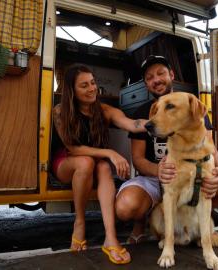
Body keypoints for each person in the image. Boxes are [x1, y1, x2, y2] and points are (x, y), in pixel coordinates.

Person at [115, 55, 218, 244]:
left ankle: (197, 222)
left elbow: (211, 150)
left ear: (172, 75)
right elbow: (138, 159)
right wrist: (158, 170)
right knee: (126, 206)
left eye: (161, 73)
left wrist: (216, 174)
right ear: (146, 84)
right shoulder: (143, 113)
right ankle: (143, 222)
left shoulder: (192, 105)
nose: (156, 79)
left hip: (192, 176)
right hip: (156, 178)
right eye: (150, 77)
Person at [52, 64, 147, 264]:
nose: (92, 89)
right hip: (66, 163)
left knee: (103, 166)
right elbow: (74, 149)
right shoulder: (60, 111)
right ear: (72, 90)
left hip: (95, 164)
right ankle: (79, 222)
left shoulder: (104, 110)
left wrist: (158, 121)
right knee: (87, 162)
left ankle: (110, 237)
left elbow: (132, 124)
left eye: (93, 83)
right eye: (84, 85)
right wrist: (110, 152)